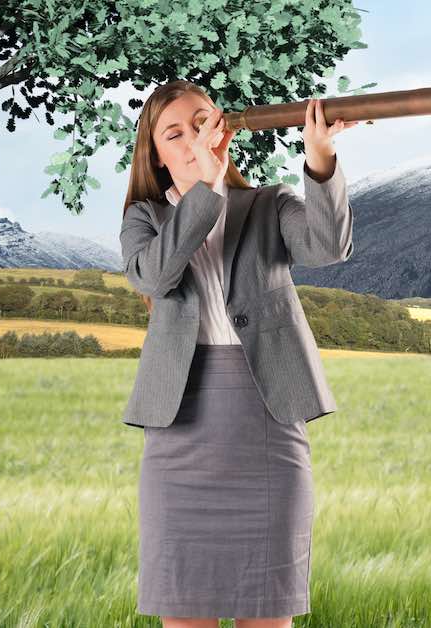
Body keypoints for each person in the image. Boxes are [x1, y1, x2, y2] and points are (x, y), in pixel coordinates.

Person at [119, 79, 356, 627]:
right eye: (173, 133)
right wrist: (204, 186)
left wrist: (321, 160)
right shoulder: (145, 219)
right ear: (155, 154)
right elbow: (154, 276)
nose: (190, 139)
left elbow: (327, 246)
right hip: (180, 425)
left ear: (223, 128)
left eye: (200, 123)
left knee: (269, 611)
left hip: (267, 420)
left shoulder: (268, 204)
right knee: (184, 610)